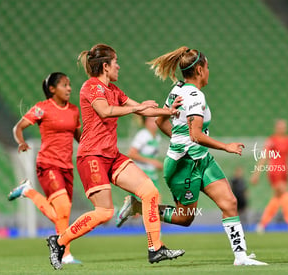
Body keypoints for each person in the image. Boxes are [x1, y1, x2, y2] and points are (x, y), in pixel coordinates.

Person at [117, 46, 268, 266]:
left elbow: (160, 121)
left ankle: (241, 257)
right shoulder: (196, 96)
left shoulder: (177, 89)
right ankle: (137, 207)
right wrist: (226, 147)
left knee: (229, 202)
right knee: (185, 218)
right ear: (199, 70)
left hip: (200, 158)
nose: (209, 71)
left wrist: (180, 138)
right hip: (183, 165)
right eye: (207, 67)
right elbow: (196, 135)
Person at [45, 44, 185, 270]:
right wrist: (136, 108)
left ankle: (155, 248)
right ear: (105, 66)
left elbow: (142, 109)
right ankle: (58, 241)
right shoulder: (91, 87)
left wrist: (168, 111)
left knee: (150, 192)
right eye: (115, 62)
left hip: (111, 156)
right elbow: (105, 111)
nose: (118, 66)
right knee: (105, 212)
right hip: (92, 156)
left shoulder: (115, 91)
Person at [8, 72, 82, 264]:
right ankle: (65, 255)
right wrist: (21, 142)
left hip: (67, 167)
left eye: (69, 85)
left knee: (62, 213)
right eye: (64, 85)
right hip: (48, 164)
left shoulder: (73, 110)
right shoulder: (42, 109)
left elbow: (79, 136)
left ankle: (28, 190)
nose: (69, 88)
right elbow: (18, 127)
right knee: (63, 208)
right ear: (52, 89)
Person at [250, 119, 288, 233]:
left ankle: (262, 225)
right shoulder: (271, 140)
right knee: (285, 194)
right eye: (280, 126)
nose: (282, 129)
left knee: (277, 198)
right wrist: (256, 173)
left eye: (284, 126)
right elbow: (264, 157)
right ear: (276, 128)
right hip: (275, 170)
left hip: (284, 172)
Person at [115, 116, 163, 226]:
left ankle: (127, 210)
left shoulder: (157, 137)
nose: (154, 123)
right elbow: (132, 153)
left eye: (156, 120)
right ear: (145, 122)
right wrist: (152, 162)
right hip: (141, 175)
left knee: (153, 207)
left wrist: (155, 164)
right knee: (152, 208)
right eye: (151, 120)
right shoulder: (143, 135)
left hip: (152, 175)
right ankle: (116, 212)